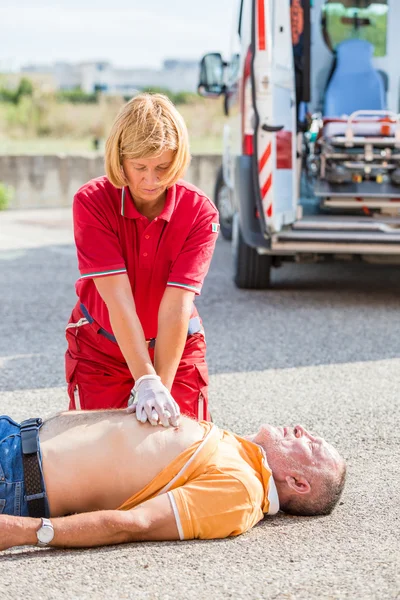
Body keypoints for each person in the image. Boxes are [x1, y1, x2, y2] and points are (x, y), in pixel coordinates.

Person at [65, 93, 219, 425]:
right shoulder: (92, 202)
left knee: (180, 449)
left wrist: (159, 388)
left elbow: (177, 304)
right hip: (101, 347)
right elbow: (118, 301)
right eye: (140, 168)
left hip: (176, 344)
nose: (151, 180)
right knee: (96, 460)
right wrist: (145, 382)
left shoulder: (199, 212)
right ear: (120, 159)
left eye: (163, 167)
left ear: (178, 159)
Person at [0, 411, 346, 551]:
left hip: (15, 478)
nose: (303, 430)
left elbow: (134, 524)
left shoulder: (241, 491)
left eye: (311, 443)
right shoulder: (244, 454)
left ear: (299, 482)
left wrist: (22, 532)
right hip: (15, 435)